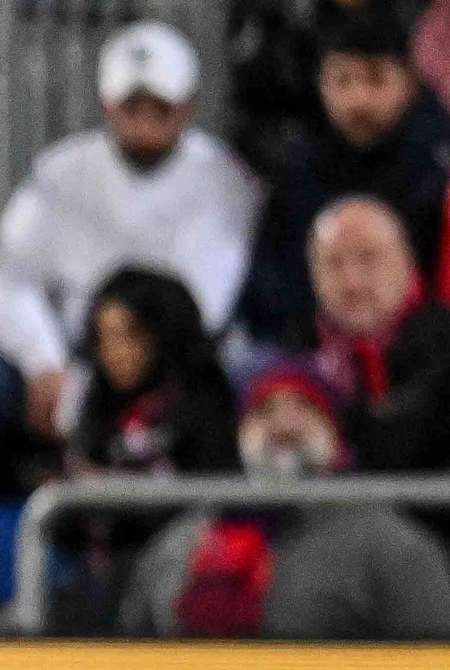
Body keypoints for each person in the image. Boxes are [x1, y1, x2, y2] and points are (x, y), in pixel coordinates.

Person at [0, 19, 260, 528]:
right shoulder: (60, 172)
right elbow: (9, 280)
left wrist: (112, 370)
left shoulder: (223, 181)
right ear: (105, 105)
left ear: (186, 107)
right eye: (130, 106)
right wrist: (42, 360)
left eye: (159, 107)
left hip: (178, 361)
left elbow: (203, 303)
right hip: (68, 352)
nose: (144, 121)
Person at [121, 361, 450, 637]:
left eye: (304, 407)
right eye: (264, 410)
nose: (282, 425)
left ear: (335, 434)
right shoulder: (184, 538)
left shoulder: (390, 544)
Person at [241, 3, 450, 347]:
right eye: (342, 80)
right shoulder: (299, 174)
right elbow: (269, 292)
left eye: (375, 78)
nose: (358, 99)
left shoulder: (438, 171)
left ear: (409, 81)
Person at [48, 265, 237, 627]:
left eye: (130, 336)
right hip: (97, 578)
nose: (114, 353)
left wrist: (113, 494)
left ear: (163, 333)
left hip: (183, 576)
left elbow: (213, 500)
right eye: (104, 338)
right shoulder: (96, 407)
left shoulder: (206, 401)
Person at [301, 193, 450, 474]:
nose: (352, 282)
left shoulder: (443, 344)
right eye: (333, 263)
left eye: (368, 259)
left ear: (407, 261)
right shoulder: (291, 357)